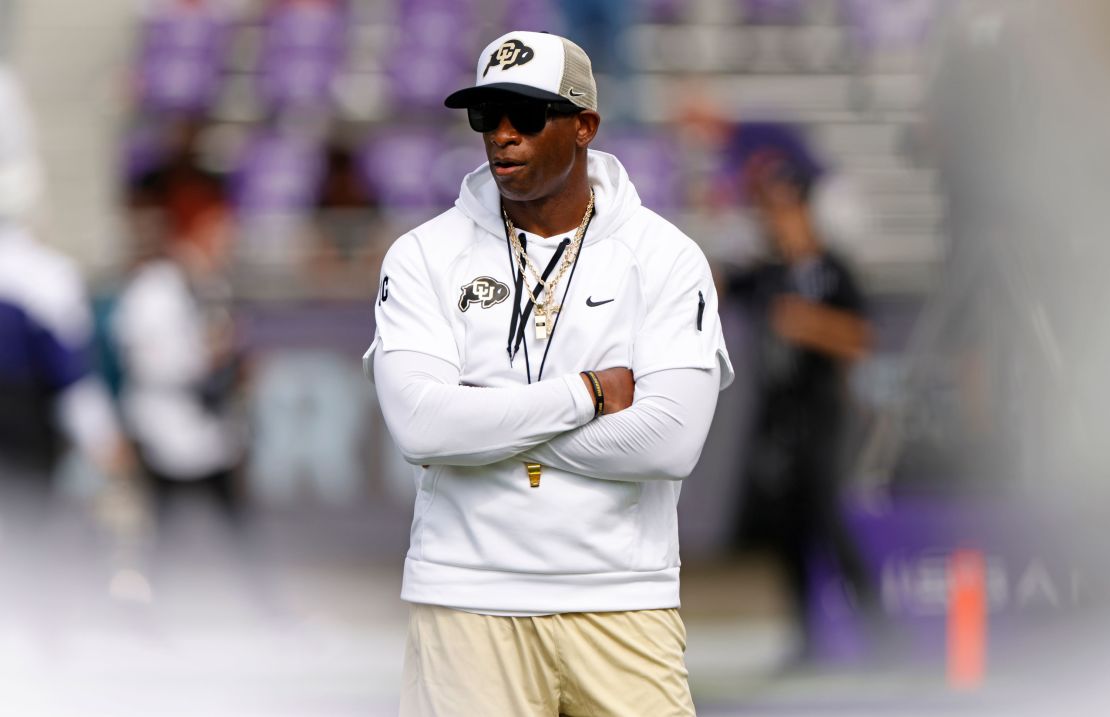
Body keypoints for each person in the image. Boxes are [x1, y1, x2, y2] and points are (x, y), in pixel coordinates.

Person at [366, 30, 733, 717]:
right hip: (465, 598)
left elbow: (670, 443)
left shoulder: (664, 256)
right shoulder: (421, 255)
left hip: (622, 597)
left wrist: (485, 421)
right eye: (486, 116)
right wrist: (586, 395)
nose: (502, 135)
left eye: (526, 115)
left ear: (584, 125)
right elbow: (420, 428)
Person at [723, 124, 877, 662]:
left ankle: (880, 632)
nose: (775, 220)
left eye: (784, 208)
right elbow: (715, 285)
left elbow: (859, 337)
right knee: (784, 528)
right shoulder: (766, 274)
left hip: (822, 413)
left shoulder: (832, 271)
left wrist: (806, 324)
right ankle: (806, 639)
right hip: (776, 415)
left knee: (826, 518)